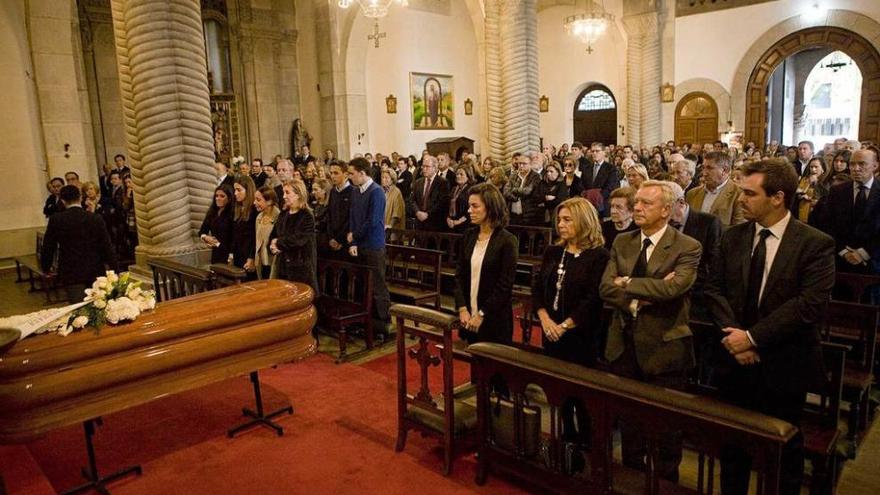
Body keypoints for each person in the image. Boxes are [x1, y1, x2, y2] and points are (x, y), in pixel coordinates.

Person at [704, 159, 835, 495]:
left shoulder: (814, 243)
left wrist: (752, 338)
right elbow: (714, 289)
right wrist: (735, 337)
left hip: (783, 363)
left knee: (782, 453)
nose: (740, 199)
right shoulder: (733, 237)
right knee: (733, 451)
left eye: (749, 193)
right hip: (733, 360)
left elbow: (808, 306)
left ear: (777, 197)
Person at [600, 180, 702, 483]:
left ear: (666, 210)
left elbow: (674, 287)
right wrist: (638, 298)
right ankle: (632, 480)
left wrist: (627, 282)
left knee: (666, 426)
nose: (637, 208)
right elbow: (606, 287)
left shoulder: (687, 246)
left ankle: (665, 483)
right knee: (630, 421)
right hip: (625, 343)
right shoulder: (623, 241)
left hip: (665, 347)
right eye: (637, 202)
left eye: (645, 203)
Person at [534, 196, 609, 366]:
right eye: (559, 220)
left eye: (567, 220)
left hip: (581, 334)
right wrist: (545, 320)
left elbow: (592, 299)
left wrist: (563, 327)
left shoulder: (599, 256)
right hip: (550, 330)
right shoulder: (553, 251)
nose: (560, 225)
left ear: (584, 221)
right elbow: (538, 288)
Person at [454, 182, 518, 345]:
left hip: (494, 317)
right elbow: (459, 275)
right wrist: (462, 308)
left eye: (475, 206)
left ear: (490, 207)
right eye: (469, 206)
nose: (469, 211)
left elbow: (505, 285)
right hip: (469, 314)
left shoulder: (507, 240)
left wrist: (482, 314)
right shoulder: (468, 236)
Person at [41, 185, 116, 302]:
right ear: (80, 198)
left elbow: (48, 246)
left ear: (62, 200)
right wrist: (114, 268)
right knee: (99, 303)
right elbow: (106, 245)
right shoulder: (95, 218)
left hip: (71, 270)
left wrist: (46, 268)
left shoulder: (57, 219)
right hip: (95, 268)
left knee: (78, 307)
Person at [815, 148, 879, 278]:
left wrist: (862, 253)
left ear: (875, 166)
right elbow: (826, 224)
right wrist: (843, 252)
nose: (856, 168)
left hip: (874, 264)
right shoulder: (837, 191)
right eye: (852, 164)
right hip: (840, 263)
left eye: (862, 164)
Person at [348, 157, 393, 334]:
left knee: (377, 285)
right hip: (360, 244)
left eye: (352, 173)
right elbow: (353, 216)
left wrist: (355, 236)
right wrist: (353, 242)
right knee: (362, 284)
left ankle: (384, 323)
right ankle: (365, 321)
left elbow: (373, 221)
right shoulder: (355, 191)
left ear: (362, 173)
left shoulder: (376, 192)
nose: (349, 177)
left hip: (374, 245)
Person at [270, 180, 318, 292]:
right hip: (283, 265)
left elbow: (299, 239)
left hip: (300, 267)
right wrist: (272, 244)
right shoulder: (283, 214)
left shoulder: (306, 216)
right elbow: (274, 234)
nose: (284, 196)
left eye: (287, 193)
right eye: (283, 193)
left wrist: (277, 243)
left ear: (298, 195)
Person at [686, 151, 745, 228]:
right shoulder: (692, 194)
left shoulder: (738, 195)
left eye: (709, 168)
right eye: (703, 168)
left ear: (725, 171)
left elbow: (738, 230)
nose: (704, 173)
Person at [408, 155, 449, 231]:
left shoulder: (442, 183)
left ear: (435, 168)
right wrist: (417, 212)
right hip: (419, 224)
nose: (424, 169)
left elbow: (441, 202)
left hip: (435, 224)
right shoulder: (418, 182)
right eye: (423, 166)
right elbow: (412, 200)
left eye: (427, 166)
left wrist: (427, 214)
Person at [199, 184, 235, 264]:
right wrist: (206, 237)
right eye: (216, 196)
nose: (218, 198)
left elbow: (233, 238)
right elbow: (202, 231)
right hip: (216, 253)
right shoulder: (212, 212)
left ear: (229, 198)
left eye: (222, 196)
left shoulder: (233, 214)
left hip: (229, 254)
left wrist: (231, 255)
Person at [503, 153, 542, 226]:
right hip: (513, 215)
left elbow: (527, 191)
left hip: (529, 215)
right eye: (519, 163)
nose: (521, 166)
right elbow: (505, 191)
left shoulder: (535, 176)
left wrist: (513, 190)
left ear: (530, 164)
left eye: (524, 164)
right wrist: (515, 198)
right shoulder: (514, 175)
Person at [231, 176, 258, 277]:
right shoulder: (237, 208)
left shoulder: (254, 210)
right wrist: (231, 253)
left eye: (239, 190)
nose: (235, 193)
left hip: (249, 254)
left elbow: (255, 236)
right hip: (238, 253)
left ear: (248, 190)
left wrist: (252, 257)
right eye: (235, 190)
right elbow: (235, 233)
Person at [327, 161, 353, 256]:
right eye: (331, 173)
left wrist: (339, 239)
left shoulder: (353, 192)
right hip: (332, 240)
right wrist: (331, 237)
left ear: (345, 174)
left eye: (336, 173)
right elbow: (329, 215)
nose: (332, 176)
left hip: (346, 241)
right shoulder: (333, 191)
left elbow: (351, 219)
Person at [253, 186, 279, 280]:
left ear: (269, 201)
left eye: (258, 200)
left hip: (272, 262)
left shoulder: (278, 216)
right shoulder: (259, 217)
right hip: (260, 262)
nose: (254, 203)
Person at [793, 157, 828, 222]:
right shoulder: (805, 179)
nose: (813, 169)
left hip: (816, 215)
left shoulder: (826, 182)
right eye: (811, 167)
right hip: (801, 212)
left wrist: (809, 198)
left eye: (816, 167)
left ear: (823, 168)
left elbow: (823, 199)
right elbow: (799, 193)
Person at [535, 161, 569, 226]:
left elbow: (560, 201)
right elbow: (536, 197)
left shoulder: (561, 184)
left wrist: (544, 203)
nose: (548, 173)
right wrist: (546, 198)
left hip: (556, 215)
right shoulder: (542, 182)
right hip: (541, 215)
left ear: (558, 172)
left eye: (551, 171)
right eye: (547, 171)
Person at [447, 166, 473, 233]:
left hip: (464, 224)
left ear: (468, 176)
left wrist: (458, 222)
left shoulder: (470, 190)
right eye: (457, 174)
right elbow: (447, 205)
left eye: (461, 174)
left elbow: (470, 210)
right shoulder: (453, 189)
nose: (458, 176)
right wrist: (448, 219)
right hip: (451, 223)